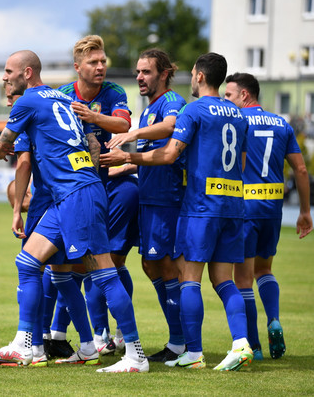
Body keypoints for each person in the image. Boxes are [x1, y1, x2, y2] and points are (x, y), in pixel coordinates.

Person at [0, 50, 148, 373]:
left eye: (8, 71)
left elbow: (2, 146)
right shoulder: (64, 101)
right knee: (28, 262)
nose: (4, 77)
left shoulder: (28, 101)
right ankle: (24, 344)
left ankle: (135, 354)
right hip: (76, 192)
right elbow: (93, 144)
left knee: (103, 273)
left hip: (75, 195)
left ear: (27, 73)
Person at [101, 52, 253, 371]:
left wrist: (130, 158)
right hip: (233, 204)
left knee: (189, 279)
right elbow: (240, 163)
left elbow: (170, 154)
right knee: (225, 280)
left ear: (198, 76)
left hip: (200, 206)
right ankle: (241, 343)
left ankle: (192, 351)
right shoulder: (239, 114)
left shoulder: (192, 108)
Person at [58, 35, 138, 352]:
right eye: (93, 62)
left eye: (103, 61)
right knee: (67, 265)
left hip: (99, 190)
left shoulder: (114, 92)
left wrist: (93, 117)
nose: (101, 66)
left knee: (100, 264)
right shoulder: (63, 94)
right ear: (78, 67)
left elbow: (123, 126)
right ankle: (55, 336)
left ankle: (112, 338)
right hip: (70, 190)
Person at [106, 49, 187, 362]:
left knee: (167, 267)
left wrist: (132, 135)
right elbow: (151, 154)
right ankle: (178, 341)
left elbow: (170, 129)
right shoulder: (150, 106)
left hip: (166, 200)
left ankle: (181, 344)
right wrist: (126, 166)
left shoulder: (171, 102)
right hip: (150, 197)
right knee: (150, 265)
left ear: (164, 73)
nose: (139, 77)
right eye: (138, 72)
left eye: (147, 72)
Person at [224, 72, 313, 360]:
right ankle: (273, 319)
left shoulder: (238, 122)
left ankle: (255, 346)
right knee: (265, 270)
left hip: (246, 209)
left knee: (243, 280)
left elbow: (240, 162)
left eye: (230, 95)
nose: (227, 101)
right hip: (272, 210)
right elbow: (300, 170)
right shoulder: (282, 124)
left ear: (245, 95)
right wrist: (303, 212)